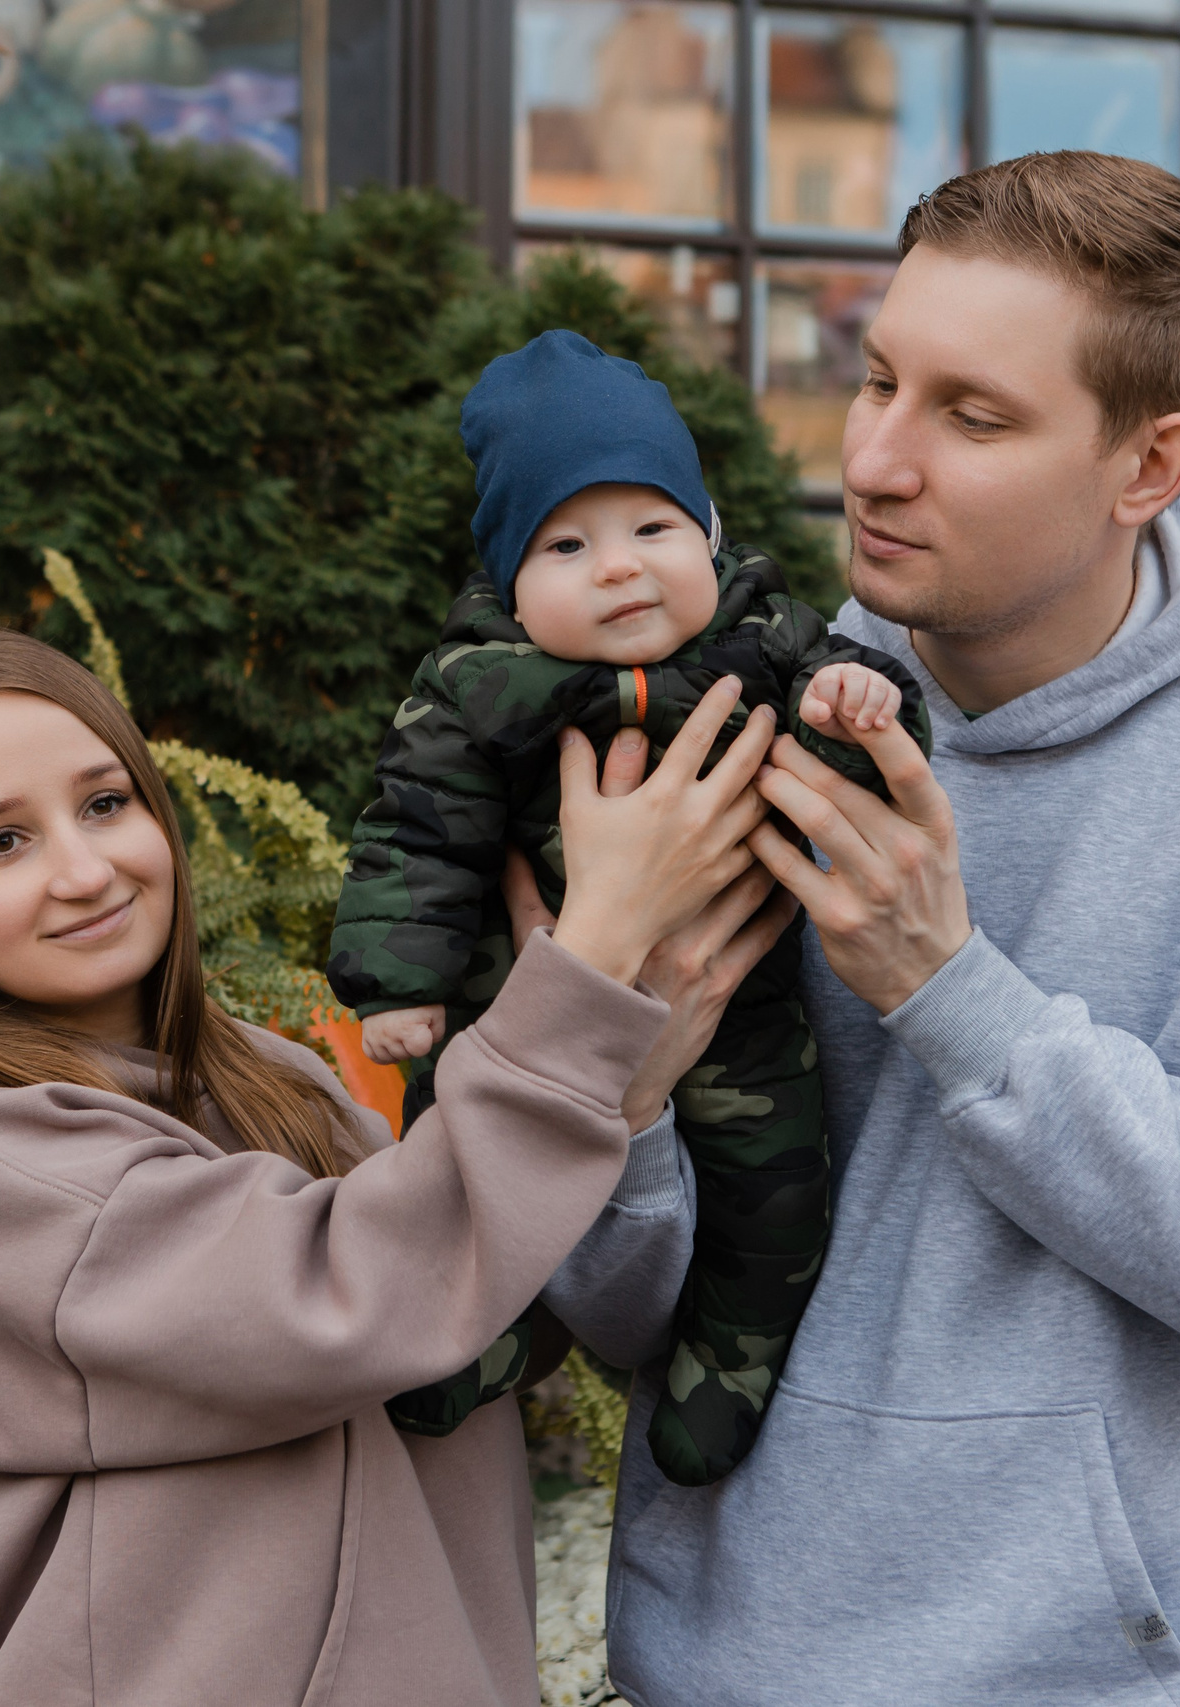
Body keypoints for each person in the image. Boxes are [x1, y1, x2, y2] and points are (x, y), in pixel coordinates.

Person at [575, 153, 1180, 1705]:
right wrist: (622, 1096)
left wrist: (949, 988)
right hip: (732, 1666)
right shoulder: (735, 713)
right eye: (875, 381)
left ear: (1151, 464)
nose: (874, 458)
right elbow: (619, 1318)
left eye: (971, 416)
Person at [0, 626, 788, 1706]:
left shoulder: (267, 1074)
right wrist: (592, 956)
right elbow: (357, 1290)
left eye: (106, 802)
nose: (84, 867)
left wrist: (621, 1093)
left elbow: (476, 1312)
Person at [326, 328, 927, 1485]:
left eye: (652, 528)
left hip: (739, 1009)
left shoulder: (767, 638)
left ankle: (731, 1362)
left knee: (780, 1188)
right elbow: (414, 829)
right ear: (509, 583)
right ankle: (465, 1340)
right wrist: (396, 987)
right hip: (522, 1010)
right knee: (463, 1158)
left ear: (707, 535)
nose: (619, 567)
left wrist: (858, 702)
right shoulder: (475, 688)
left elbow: (869, 744)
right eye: (567, 544)